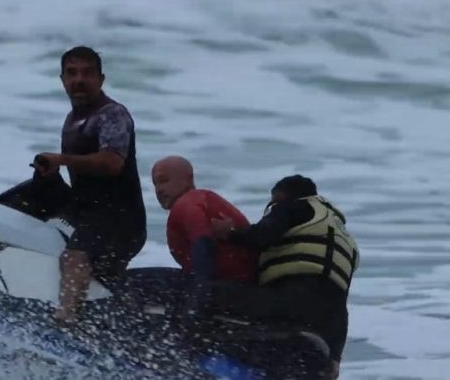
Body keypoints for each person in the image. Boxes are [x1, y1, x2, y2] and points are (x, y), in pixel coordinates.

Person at [32, 46, 147, 324]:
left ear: (101, 79)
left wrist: (60, 159)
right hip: (89, 213)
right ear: (62, 80)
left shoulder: (112, 114)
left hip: (119, 219)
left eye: (87, 73)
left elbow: (112, 162)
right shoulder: (73, 120)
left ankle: (66, 322)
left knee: (74, 257)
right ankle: (105, 326)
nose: (79, 80)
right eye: (71, 73)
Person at [211, 174, 359, 378]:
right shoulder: (346, 243)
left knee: (207, 294)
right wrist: (335, 356)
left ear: (283, 197)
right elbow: (340, 306)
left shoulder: (293, 207)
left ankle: (184, 351)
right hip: (328, 326)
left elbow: (261, 236)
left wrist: (230, 232)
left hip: (290, 303)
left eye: (273, 203)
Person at [151, 155, 257, 283]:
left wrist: (202, 294)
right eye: (155, 184)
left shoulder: (188, 202)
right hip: (240, 282)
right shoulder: (202, 200)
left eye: (164, 180)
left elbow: (202, 243)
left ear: (188, 179)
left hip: (229, 286)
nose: (158, 190)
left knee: (131, 281)